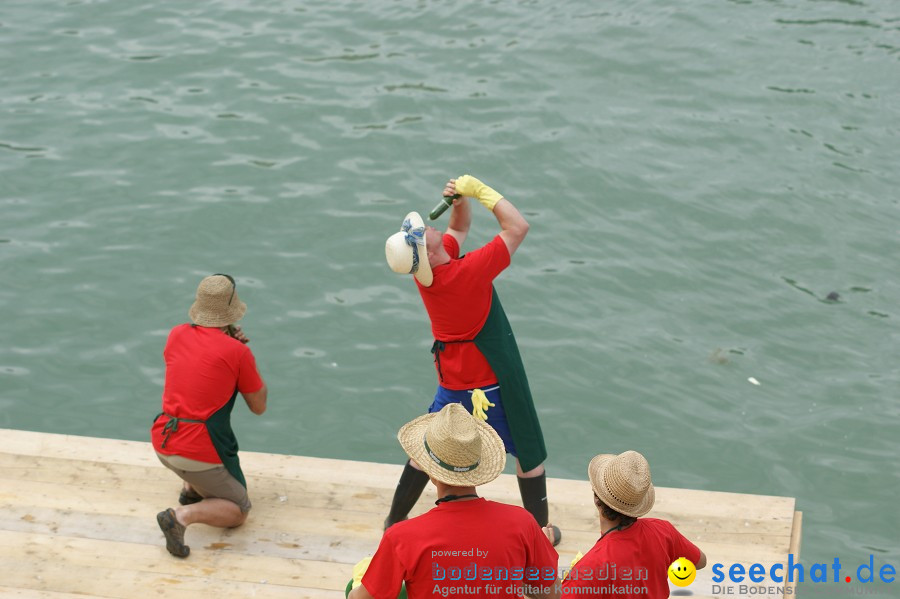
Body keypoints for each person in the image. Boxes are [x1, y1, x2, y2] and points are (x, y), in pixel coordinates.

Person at [384, 175, 559, 544]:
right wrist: (480, 192)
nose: (426, 227)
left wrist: (459, 202)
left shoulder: (427, 273)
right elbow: (518, 226)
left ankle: (394, 522)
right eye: (421, 232)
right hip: (492, 382)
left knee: (430, 445)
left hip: (453, 380)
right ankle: (540, 537)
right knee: (528, 452)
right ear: (428, 253)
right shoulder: (468, 273)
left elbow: (456, 228)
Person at [348, 403, 561, 599]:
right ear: (478, 467)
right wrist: (537, 551)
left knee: (354, 587)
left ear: (431, 473)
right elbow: (550, 594)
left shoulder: (401, 538)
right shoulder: (522, 523)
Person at [150, 274, 268, 558]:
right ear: (231, 309)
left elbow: (199, 369)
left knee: (193, 412)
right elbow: (258, 405)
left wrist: (231, 347)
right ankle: (180, 516)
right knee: (238, 510)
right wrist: (242, 354)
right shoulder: (237, 351)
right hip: (197, 452)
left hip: (163, 440)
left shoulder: (176, 333)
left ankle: (191, 487)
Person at [547, 451, 707, 598]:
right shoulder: (663, 530)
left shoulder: (590, 568)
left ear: (597, 499)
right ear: (637, 504)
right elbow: (700, 561)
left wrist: (545, 556)